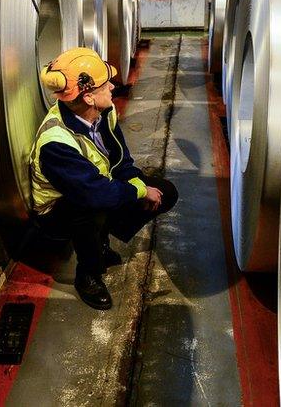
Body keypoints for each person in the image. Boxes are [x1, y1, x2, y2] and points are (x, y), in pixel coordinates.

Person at [29, 47, 178, 310]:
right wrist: (139, 193)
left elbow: (121, 159)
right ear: (87, 97)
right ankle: (88, 274)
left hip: (93, 190)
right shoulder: (56, 143)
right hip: (57, 213)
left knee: (165, 191)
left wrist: (139, 184)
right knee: (89, 209)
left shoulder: (102, 112)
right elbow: (93, 193)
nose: (111, 86)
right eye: (104, 84)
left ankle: (101, 239)